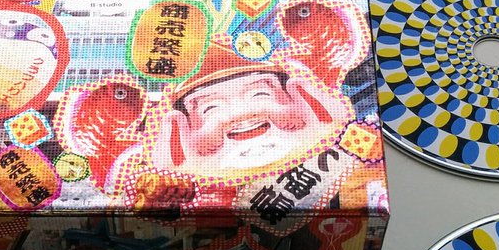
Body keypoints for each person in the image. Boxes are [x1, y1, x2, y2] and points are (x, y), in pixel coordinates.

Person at [150, 43, 353, 180]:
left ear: (297, 95)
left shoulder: (342, 150)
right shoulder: (196, 177)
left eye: (260, 94)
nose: (241, 114)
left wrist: (332, 126)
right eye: (210, 108)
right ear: (182, 128)